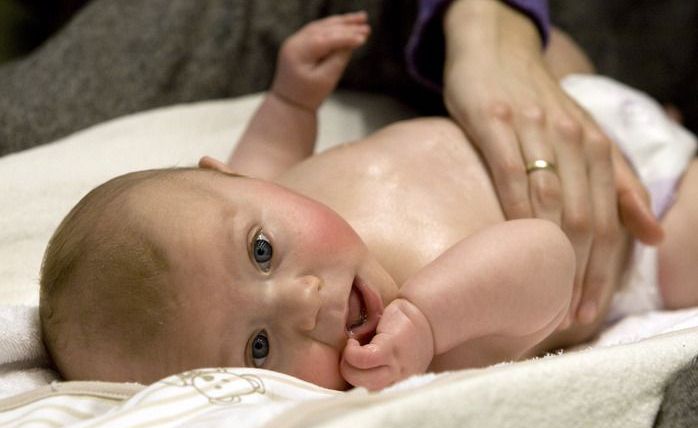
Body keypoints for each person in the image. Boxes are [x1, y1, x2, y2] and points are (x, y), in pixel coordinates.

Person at [38, 12, 698, 391]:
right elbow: (551, 254)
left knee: (550, 36)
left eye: (261, 252)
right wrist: (432, 320)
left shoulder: (276, 182)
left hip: (553, 99)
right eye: (260, 347)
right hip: (646, 223)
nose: (300, 302)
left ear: (230, 178)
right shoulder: (414, 332)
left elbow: (266, 153)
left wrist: (291, 100)